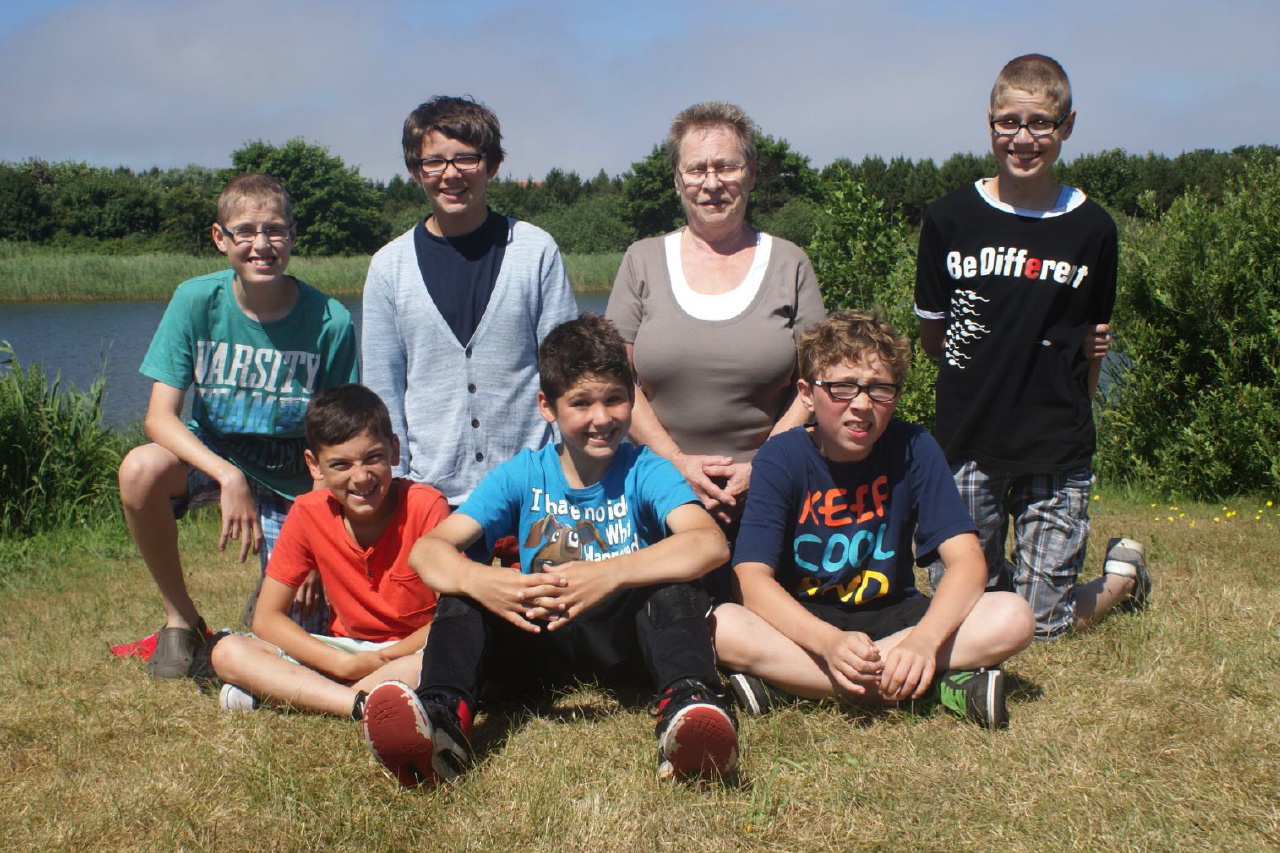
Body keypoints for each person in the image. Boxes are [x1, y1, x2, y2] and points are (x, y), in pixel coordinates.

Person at [360, 314, 739, 787]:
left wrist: (610, 573)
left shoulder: (646, 469)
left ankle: (688, 707)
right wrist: (481, 580)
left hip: (627, 646)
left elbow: (708, 543)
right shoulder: (523, 474)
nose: (602, 418)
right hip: (539, 640)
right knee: (462, 594)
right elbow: (428, 550)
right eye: (581, 403)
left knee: (673, 591)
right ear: (547, 406)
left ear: (632, 396)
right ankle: (441, 719)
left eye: (615, 399)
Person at [913, 54, 1151, 641]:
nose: (1023, 139)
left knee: (1042, 628)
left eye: (1041, 123)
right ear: (990, 122)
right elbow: (933, 339)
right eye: (1009, 122)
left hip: (1056, 444)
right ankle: (1013, 578)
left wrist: (1073, 408)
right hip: (968, 440)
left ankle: (1122, 576)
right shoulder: (948, 218)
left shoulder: (1093, 228)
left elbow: (1092, 343)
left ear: (1067, 125)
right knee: (966, 614)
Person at [712, 310, 1035, 728]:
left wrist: (923, 643)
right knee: (721, 625)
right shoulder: (780, 456)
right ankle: (929, 684)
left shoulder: (914, 446)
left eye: (880, 389)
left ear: (895, 397)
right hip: (805, 623)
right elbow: (751, 579)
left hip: (894, 617)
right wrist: (828, 643)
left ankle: (794, 683)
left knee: (1013, 615)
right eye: (843, 388)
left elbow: (968, 562)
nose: (862, 405)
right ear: (807, 394)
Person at [117, 173, 360, 679]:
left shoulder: (330, 321)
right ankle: (181, 620)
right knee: (139, 470)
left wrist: (316, 541)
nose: (261, 245)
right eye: (245, 231)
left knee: (299, 635)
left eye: (274, 230)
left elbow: (337, 437)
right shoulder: (195, 300)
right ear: (220, 237)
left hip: (298, 475)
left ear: (293, 235)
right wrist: (228, 476)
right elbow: (159, 417)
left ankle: (270, 592)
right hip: (217, 453)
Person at [606, 101, 824, 527]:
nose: (711, 183)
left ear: (751, 175)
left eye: (726, 167)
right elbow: (615, 380)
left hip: (773, 494)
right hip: (657, 494)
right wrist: (676, 464)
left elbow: (816, 382)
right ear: (677, 180)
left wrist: (763, 468)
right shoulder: (641, 260)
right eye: (696, 170)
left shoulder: (790, 263)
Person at [362, 95, 577, 508]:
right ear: (415, 171)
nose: (451, 173)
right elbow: (383, 390)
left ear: (492, 165)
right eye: (434, 162)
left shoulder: (535, 251)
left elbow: (564, 373)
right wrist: (395, 487)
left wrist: (567, 472)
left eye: (466, 158)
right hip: (430, 495)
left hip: (533, 488)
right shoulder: (389, 266)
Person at [208, 384, 449, 718]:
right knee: (227, 652)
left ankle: (306, 695)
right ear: (315, 465)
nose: (361, 477)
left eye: (373, 458)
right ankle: (357, 703)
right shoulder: (307, 512)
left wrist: (383, 658)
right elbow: (267, 618)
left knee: (436, 658)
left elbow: (448, 617)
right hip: (342, 652)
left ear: (394, 450)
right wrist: (342, 664)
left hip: (409, 651)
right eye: (341, 465)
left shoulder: (425, 506)